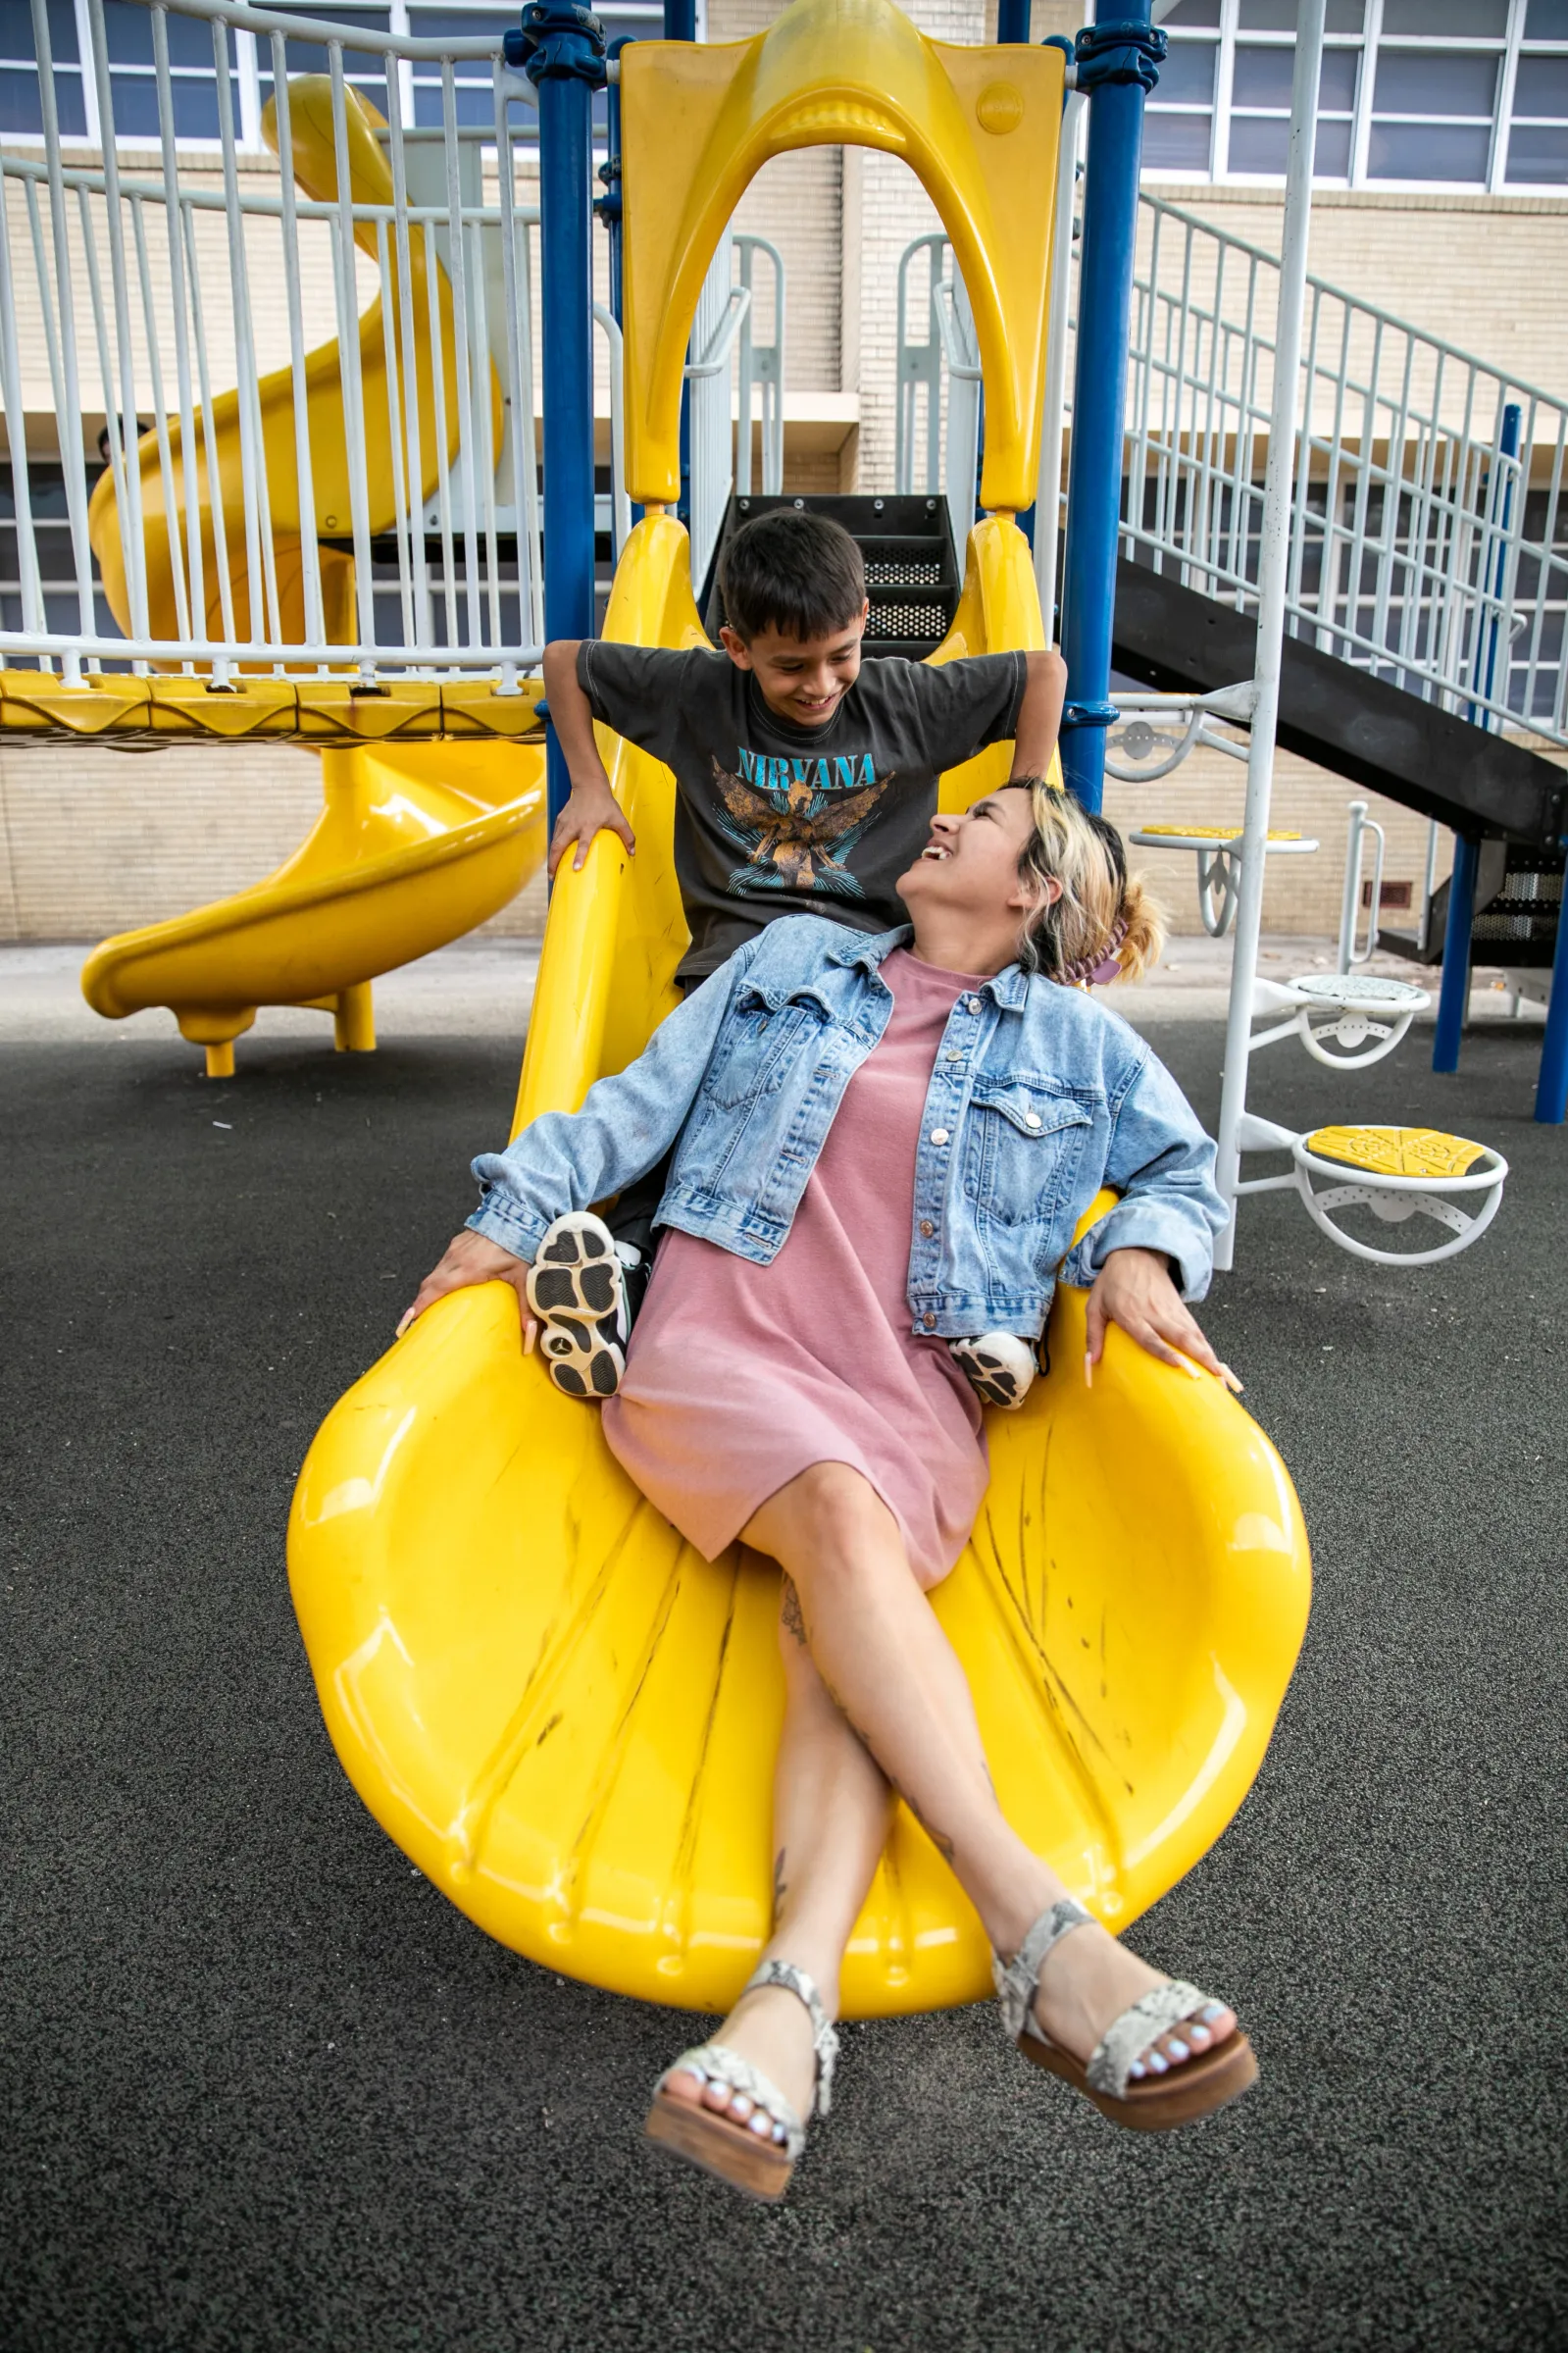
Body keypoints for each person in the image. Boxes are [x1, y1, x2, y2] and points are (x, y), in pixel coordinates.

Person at [400, 778, 1256, 2202]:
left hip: (908, 1385)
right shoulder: (786, 962)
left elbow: (1182, 1169)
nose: (943, 821)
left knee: (830, 1646)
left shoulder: (1076, 1046)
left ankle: (787, 2011)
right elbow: (628, 1109)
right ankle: (1041, 1931)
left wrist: (1138, 1254)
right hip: (722, 1341)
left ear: (1032, 886)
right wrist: (494, 1222)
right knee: (839, 1518)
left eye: (982, 817)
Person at [533, 504, 1068, 1407]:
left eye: (840, 654)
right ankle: (628, 1264)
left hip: (876, 963)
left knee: (937, 1099)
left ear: (863, 619)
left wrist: (1027, 796)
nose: (822, 683)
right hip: (741, 960)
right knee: (700, 1083)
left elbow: (1042, 670)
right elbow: (566, 665)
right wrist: (589, 785)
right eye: (791, 665)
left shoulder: (904, 698)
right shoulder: (697, 693)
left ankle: (980, 1300)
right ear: (736, 645)